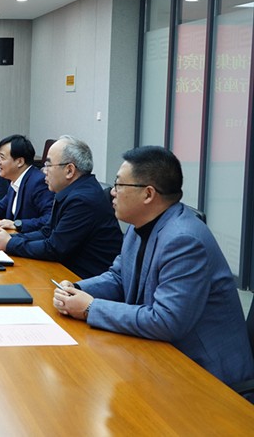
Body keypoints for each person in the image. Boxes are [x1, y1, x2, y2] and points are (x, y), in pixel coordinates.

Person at [53, 146, 254, 387]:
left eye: (119, 185)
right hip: (160, 355)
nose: (112, 192)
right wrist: (77, 289)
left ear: (148, 194)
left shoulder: (184, 240)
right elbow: (118, 277)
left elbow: (166, 320)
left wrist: (90, 308)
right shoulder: (137, 225)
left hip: (208, 376)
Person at [0, 135, 122, 278]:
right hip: (65, 271)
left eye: (48, 165)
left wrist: (9, 243)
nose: (43, 171)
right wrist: (5, 238)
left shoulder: (82, 199)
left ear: (69, 170)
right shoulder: (70, 192)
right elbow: (46, 232)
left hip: (82, 279)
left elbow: (54, 248)